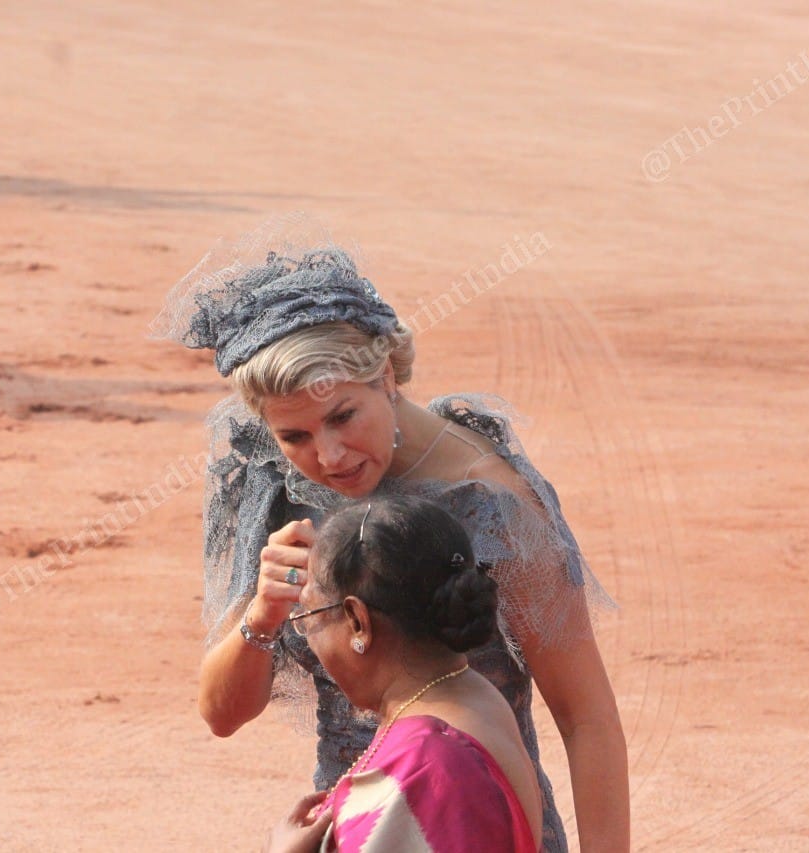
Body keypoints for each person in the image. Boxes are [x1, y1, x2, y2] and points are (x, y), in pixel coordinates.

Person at [152, 218, 628, 852]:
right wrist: (263, 616)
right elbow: (222, 714)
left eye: (343, 416)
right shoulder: (269, 484)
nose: (328, 456)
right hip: (355, 827)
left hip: (478, 822)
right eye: (294, 436)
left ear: (386, 376)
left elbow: (586, 717)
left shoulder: (494, 502)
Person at [265, 494, 542, 852]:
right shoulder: (471, 695)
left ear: (357, 622)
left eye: (308, 617)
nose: (312, 640)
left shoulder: (425, 762)